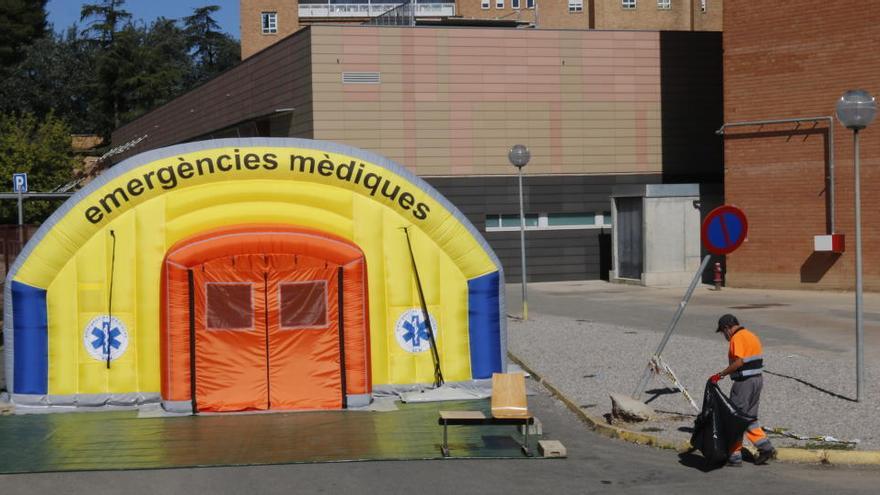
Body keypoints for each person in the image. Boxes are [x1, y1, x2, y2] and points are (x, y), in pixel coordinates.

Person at [709, 313, 776, 467]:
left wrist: (721, 374)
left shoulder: (736, 338)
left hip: (744, 382)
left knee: (734, 418)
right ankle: (766, 447)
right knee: (749, 418)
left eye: (722, 332)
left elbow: (739, 362)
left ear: (727, 328)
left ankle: (734, 456)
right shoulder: (752, 336)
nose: (724, 336)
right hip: (757, 380)